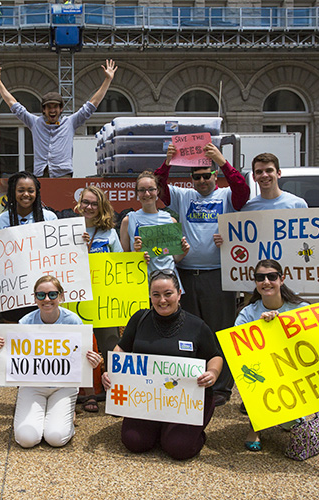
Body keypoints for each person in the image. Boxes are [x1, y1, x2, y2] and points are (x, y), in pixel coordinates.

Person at [154, 142, 250, 407]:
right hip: (185, 274)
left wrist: (222, 160)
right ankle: (193, 380)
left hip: (219, 274)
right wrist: (168, 162)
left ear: (214, 176)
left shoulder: (227, 196)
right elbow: (158, 185)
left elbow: (243, 189)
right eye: (197, 176)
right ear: (191, 180)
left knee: (221, 330)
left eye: (207, 175)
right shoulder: (184, 196)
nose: (202, 180)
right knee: (188, 330)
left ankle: (221, 387)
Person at [102, 270, 223, 460]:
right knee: (134, 442)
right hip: (147, 399)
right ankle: (160, 427)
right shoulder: (139, 319)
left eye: (168, 294)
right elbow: (122, 348)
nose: (162, 300)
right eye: (156, 295)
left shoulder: (196, 326)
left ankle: (187, 432)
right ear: (150, 296)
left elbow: (215, 356)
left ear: (179, 293)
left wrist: (212, 373)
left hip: (186, 401)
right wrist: (112, 371)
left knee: (179, 448)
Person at [0, 275, 102, 448]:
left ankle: (67, 417)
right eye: (41, 295)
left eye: (52, 294)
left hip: (63, 387)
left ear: (61, 296)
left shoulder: (73, 321)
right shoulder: (25, 322)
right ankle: (47, 414)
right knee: (26, 439)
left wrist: (93, 362)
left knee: (56, 438)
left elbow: (83, 357)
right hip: (32, 386)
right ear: (35, 298)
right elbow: (13, 361)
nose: (47, 299)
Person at [0, 59, 117, 178]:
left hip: (63, 174)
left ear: (61, 109)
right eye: (49, 107)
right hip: (40, 175)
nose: (52, 110)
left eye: (56, 107)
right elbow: (14, 105)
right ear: (43, 110)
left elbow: (91, 105)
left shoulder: (69, 122)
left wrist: (107, 80)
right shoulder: (35, 123)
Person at [234, 259, 308, 451]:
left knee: (291, 424)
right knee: (252, 373)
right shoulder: (248, 314)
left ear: (282, 279)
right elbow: (239, 350)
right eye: (260, 278)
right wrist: (260, 328)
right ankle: (256, 426)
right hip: (262, 371)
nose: (266, 282)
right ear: (256, 283)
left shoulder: (301, 309)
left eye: (272, 277)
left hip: (292, 369)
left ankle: (292, 413)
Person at [75, 186, 122, 412]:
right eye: (86, 202)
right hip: (78, 300)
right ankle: (88, 393)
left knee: (111, 346)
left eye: (94, 203)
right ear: (79, 204)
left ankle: (117, 394)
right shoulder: (68, 230)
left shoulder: (110, 233)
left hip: (106, 301)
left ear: (101, 206)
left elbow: (121, 264)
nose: (89, 207)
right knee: (84, 346)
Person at [240, 152, 319, 253]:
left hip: (289, 267)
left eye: (269, 170)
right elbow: (241, 244)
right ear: (254, 177)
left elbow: (308, 243)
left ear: (278, 173)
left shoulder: (298, 205)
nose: (264, 175)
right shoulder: (248, 209)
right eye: (259, 172)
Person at [0, 172, 58, 323]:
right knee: (15, 332)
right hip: (14, 290)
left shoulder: (49, 218)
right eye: (21, 190)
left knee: (41, 331)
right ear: (13, 192)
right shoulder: (2, 220)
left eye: (31, 190)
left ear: (37, 193)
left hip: (42, 290)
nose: (26, 194)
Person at [119, 171, 188, 280]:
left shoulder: (171, 221)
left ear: (157, 191)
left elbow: (175, 258)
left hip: (168, 282)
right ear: (137, 193)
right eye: (142, 190)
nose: (147, 194)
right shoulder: (128, 220)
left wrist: (183, 252)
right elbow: (123, 258)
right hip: (142, 283)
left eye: (151, 189)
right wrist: (135, 254)